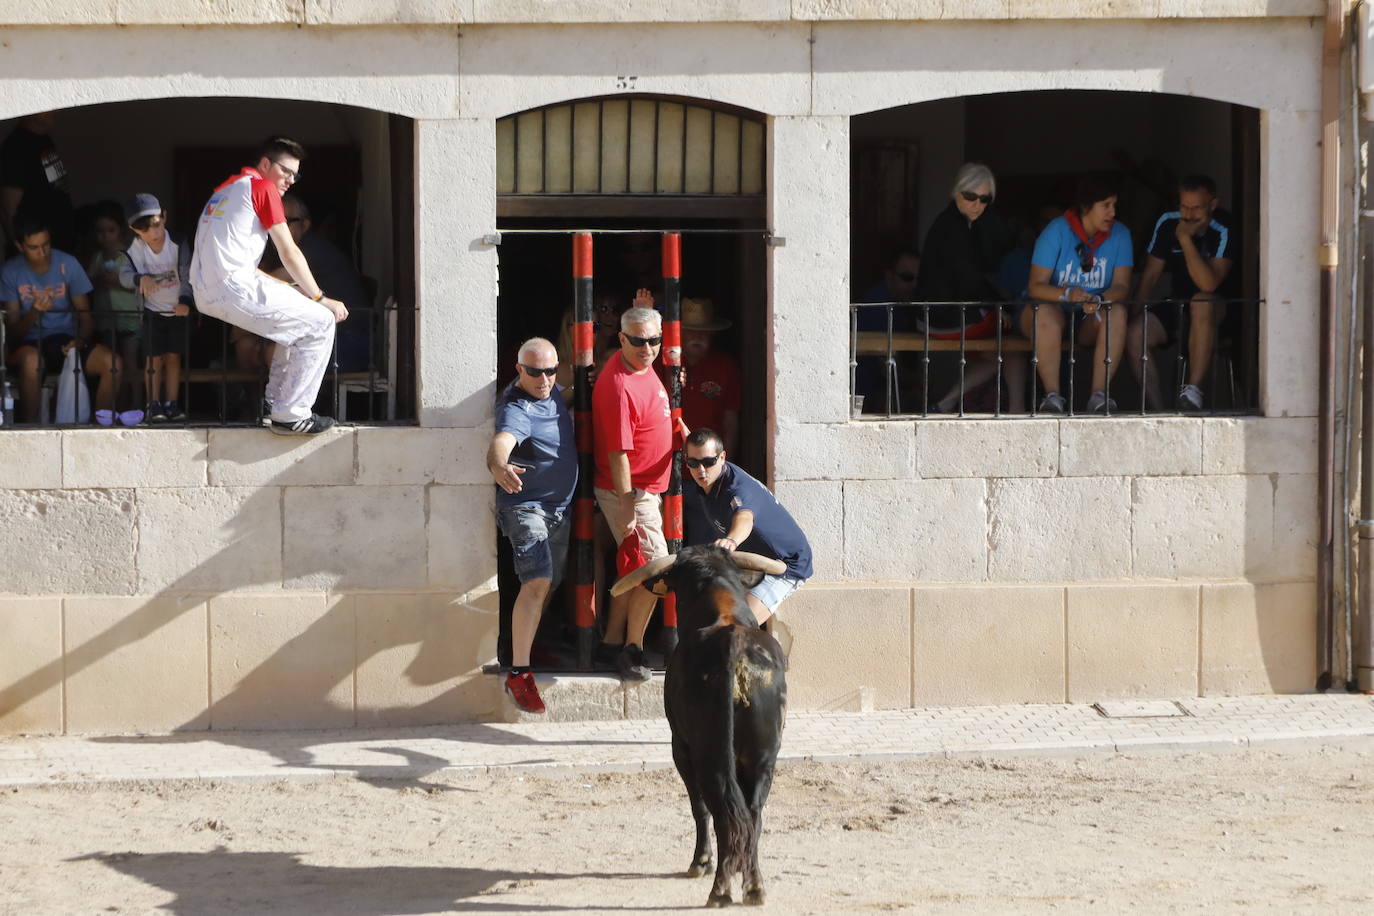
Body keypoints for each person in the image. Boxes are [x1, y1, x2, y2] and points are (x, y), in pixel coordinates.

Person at [189, 136, 347, 435]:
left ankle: (272, 406)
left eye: (295, 174)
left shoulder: (222, 192)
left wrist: (295, 293)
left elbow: (235, 262)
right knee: (321, 322)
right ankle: (291, 413)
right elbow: (289, 251)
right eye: (286, 171)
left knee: (297, 323)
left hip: (208, 290)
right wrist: (319, 297)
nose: (291, 180)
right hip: (235, 286)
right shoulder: (262, 188)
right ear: (265, 164)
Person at [488, 337, 578, 715]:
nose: (544, 380)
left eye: (550, 371)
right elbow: (502, 441)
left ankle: (524, 644)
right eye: (535, 372)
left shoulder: (552, 390)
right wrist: (498, 465)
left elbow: (566, 391)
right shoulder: (518, 407)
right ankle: (519, 673)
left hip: (560, 507)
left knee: (548, 584)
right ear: (519, 370)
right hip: (526, 507)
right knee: (537, 579)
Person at [592, 304, 677, 682]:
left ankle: (612, 642)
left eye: (654, 340)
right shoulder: (619, 383)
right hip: (632, 492)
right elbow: (618, 454)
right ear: (622, 340)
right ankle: (632, 649)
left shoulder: (641, 365)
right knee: (656, 570)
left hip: (649, 490)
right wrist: (627, 506)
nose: (648, 348)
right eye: (639, 341)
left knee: (633, 570)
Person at [915, 163, 1024, 413]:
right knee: (1014, 342)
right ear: (956, 193)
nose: (977, 204)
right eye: (970, 196)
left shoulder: (955, 224)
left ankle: (945, 402)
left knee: (996, 353)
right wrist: (999, 307)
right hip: (945, 318)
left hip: (936, 316)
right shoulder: (953, 228)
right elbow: (969, 281)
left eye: (984, 199)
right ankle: (1017, 410)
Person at [1023, 174, 1134, 415]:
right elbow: (1036, 286)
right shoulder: (1056, 231)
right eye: (1106, 206)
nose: (1113, 213)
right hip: (1053, 310)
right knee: (1044, 312)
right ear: (1086, 207)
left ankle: (1098, 396)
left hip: (1090, 316)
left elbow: (1122, 287)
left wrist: (1099, 299)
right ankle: (1052, 397)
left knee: (1117, 312)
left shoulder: (1121, 234)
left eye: (1114, 205)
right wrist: (1068, 294)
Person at [1124, 174, 1236, 411]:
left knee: (1202, 301)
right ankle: (1157, 410)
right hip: (1177, 303)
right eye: (1184, 206)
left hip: (1217, 309)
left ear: (1212, 205)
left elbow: (1209, 284)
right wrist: (1131, 316)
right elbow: (1150, 277)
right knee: (1135, 333)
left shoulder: (1224, 226)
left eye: (1196, 208)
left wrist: (1184, 240)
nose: (1188, 215)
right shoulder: (1167, 221)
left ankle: (1193, 393)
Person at [682, 428, 812, 626]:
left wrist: (731, 539)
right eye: (693, 463)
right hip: (745, 563)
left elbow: (744, 518)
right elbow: (699, 448)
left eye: (708, 462)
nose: (701, 470)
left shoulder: (737, 488)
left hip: (783, 566)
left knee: (734, 629)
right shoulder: (709, 476)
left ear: (722, 457)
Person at [1, 214, 119, 422]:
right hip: (29, 344)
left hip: (66, 340)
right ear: (20, 246)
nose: (42, 253)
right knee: (31, 361)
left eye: (46, 245)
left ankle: (102, 430)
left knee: (112, 363)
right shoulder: (11, 271)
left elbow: (86, 318)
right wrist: (35, 312)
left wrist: (79, 341)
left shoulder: (68, 263)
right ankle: (29, 431)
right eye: (33, 247)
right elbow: (13, 334)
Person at [266, 194, 372, 372]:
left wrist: (245, 274)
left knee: (268, 353)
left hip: (348, 342)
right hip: (332, 337)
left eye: (286, 221)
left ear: (305, 225)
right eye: (274, 221)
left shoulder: (310, 249)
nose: (278, 227)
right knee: (259, 346)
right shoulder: (297, 249)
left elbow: (274, 280)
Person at [122, 193, 194, 422]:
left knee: (174, 357)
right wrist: (139, 279)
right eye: (145, 230)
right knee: (153, 358)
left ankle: (171, 402)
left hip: (177, 310)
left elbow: (187, 273)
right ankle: (152, 403)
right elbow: (123, 275)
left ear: (164, 216)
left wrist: (186, 302)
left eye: (156, 225)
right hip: (152, 312)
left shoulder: (178, 242)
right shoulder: (133, 249)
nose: (154, 234)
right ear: (134, 230)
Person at [85, 201, 144, 411]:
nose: (105, 236)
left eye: (110, 230)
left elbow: (141, 285)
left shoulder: (130, 256)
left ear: (120, 229)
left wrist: (119, 281)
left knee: (130, 363)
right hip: (105, 319)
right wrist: (100, 281)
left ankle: (136, 406)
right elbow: (88, 284)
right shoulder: (97, 258)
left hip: (129, 318)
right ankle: (117, 405)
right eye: (100, 231)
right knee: (113, 365)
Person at [0, 112, 74, 252]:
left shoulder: (44, 138)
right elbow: (8, 208)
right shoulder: (16, 147)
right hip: (37, 249)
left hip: (59, 242)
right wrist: (21, 248)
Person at [679, 298, 740, 457]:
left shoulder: (725, 367)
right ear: (680, 332)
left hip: (709, 465)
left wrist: (726, 467)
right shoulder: (662, 366)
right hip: (669, 465)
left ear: (712, 333)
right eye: (691, 330)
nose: (697, 336)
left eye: (704, 331)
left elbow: (730, 422)